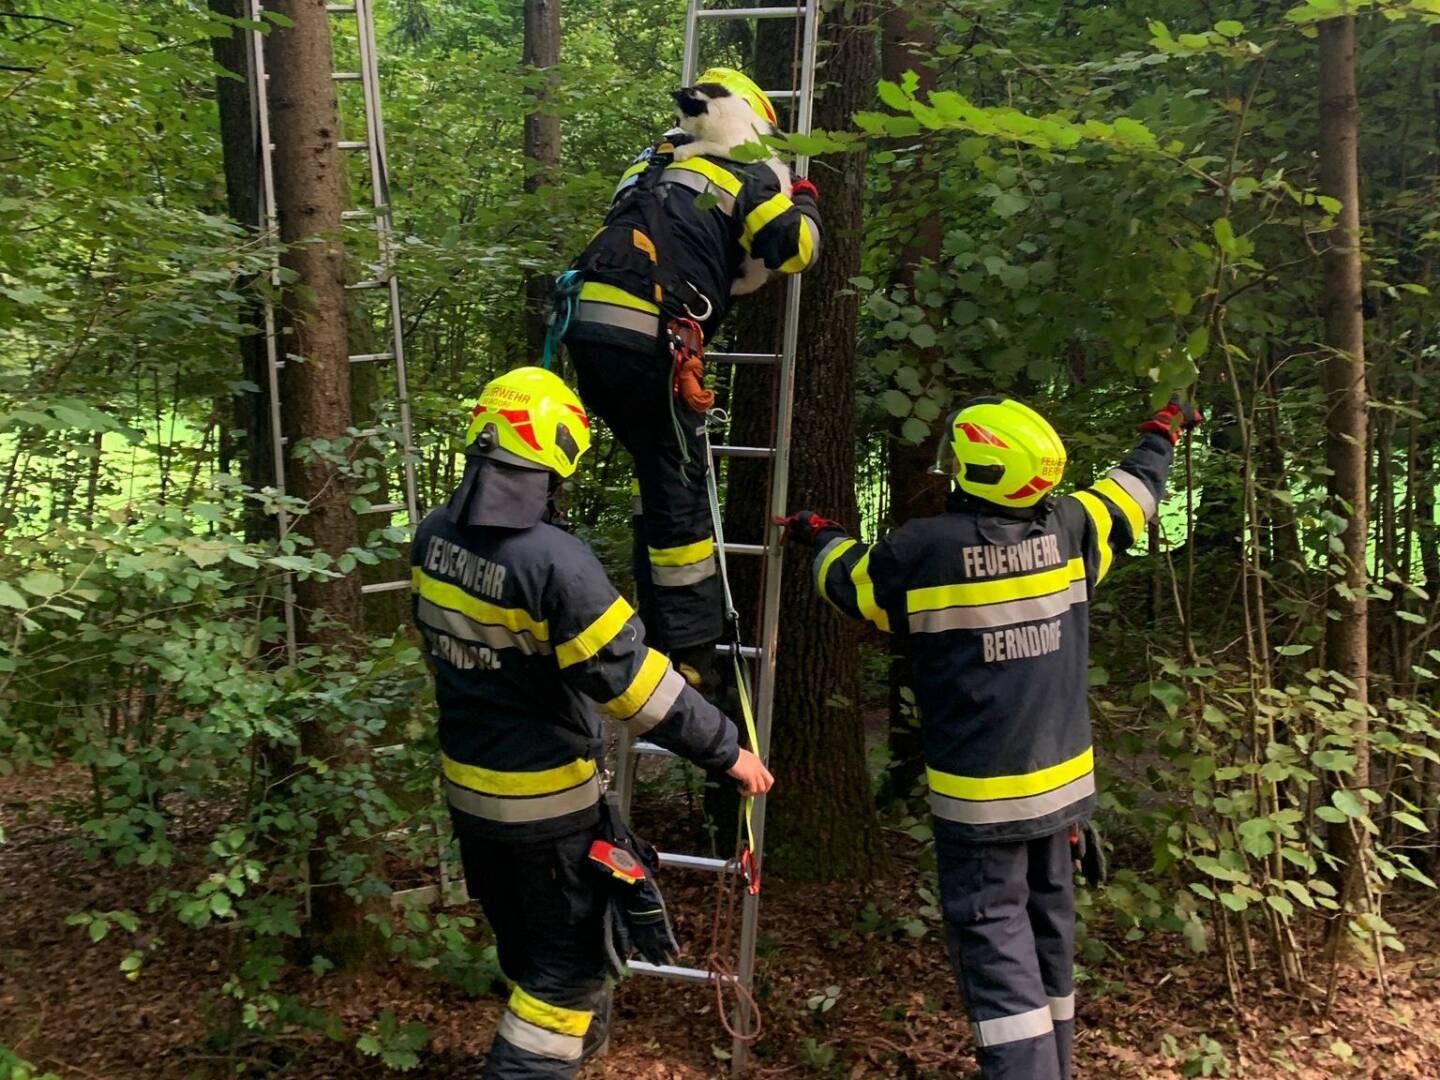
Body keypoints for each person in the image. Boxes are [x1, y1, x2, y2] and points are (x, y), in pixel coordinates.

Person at [781, 395, 1200, 1080]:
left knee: (1003, 981)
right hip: (1063, 800)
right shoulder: (1072, 528)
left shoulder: (925, 551)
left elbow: (853, 585)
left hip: (982, 814)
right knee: (1049, 954)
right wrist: (1161, 432)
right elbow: (1135, 494)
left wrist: (818, 534)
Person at [411, 366, 774, 1079]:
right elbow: (633, 685)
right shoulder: (555, 563)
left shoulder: (432, 536)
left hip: (470, 799)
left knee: (529, 953)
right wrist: (728, 750)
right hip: (547, 812)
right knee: (566, 978)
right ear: (556, 455)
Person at [558, 66, 823, 694]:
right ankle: (694, 655)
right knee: (678, 485)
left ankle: (661, 629)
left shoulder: (647, 164)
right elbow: (797, 249)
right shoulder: (746, 172)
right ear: (752, 118)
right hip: (650, 338)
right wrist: (804, 194)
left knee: (658, 468)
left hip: (585, 326)